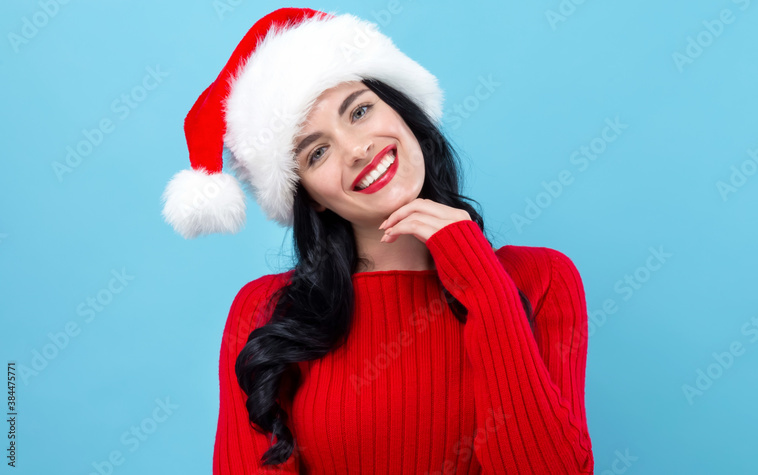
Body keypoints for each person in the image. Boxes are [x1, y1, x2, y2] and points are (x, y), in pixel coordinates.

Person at [161, 7, 594, 474]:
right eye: (317, 152)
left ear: (405, 112)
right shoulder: (265, 313)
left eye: (361, 111)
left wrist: (485, 286)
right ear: (312, 197)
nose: (357, 149)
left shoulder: (541, 280)